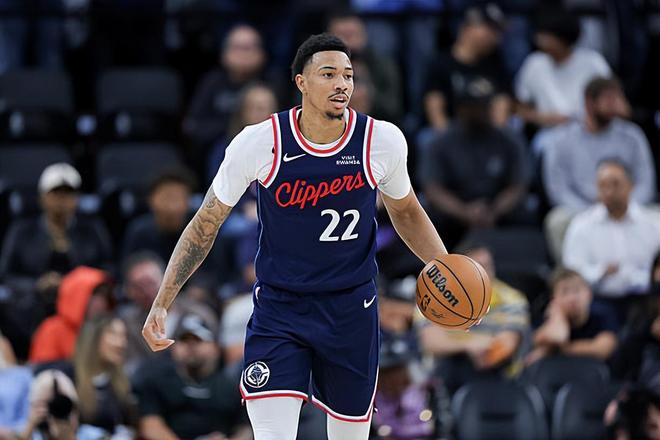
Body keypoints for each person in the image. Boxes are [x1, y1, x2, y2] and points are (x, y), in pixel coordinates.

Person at [142, 33, 449, 440]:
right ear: (301, 82)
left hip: (351, 310)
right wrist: (163, 300)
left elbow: (407, 211)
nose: (342, 84)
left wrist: (446, 272)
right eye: (328, 74)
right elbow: (205, 223)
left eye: (348, 75)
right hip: (281, 308)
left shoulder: (381, 140)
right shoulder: (260, 142)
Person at [543, 77, 656, 261]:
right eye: (609, 100)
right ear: (589, 103)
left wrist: (626, 206)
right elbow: (558, 189)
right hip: (582, 208)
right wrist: (592, 212)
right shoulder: (562, 139)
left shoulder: (632, 135)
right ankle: (572, 275)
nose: (615, 105)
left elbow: (646, 181)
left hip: (627, 205)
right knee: (557, 221)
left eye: (617, 99)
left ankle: (650, 273)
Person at [422, 76, 529, 249]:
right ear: (461, 108)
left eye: (486, 105)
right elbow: (433, 189)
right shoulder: (440, 143)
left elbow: (518, 185)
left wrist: (494, 210)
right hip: (454, 214)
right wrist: (464, 212)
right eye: (476, 106)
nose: (483, 111)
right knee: (428, 217)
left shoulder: (508, 140)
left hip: (496, 211)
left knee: (526, 214)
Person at [419, 243, 530, 394]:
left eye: (488, 266)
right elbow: (431, 341)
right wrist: (470, 345)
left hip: (494, 375)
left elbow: (506, 346)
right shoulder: (435, 294)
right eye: (478, 267)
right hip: (447, 372)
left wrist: (477, 347)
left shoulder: (511, 298)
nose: (485, 273)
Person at [563, 160, 660, 321]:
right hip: (598, 301)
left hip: (646, 299)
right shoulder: (581, 225)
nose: (609, 191)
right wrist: (600, 272)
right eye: (602, 185)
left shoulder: (654, 223)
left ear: (631, 186)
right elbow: (572, 271)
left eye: (615, 184)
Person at [134, 309, 250, 440]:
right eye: (184, 341)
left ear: (216, 348)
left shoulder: (230, 386)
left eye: (198, 340)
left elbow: (246, 428)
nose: (190, 346)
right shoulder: (156, 380)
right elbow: (150, 426)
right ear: (173, 348)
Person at [0, 163, 113, 284]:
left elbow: (109, 269)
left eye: (68, 193)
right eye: (56, 193)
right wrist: (37, 284)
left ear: (77, 198)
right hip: (31, 295)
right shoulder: (21, 230)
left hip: (82, 293)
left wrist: (79, 282)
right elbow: (5, 274)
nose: (62, 199)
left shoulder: (93, 229)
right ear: (41, 198)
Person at [515, 7, 612, 130]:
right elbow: (520, 108)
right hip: (549, 134)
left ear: (562, 37)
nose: (539, 39)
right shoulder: (534, 63)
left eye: (546, 35)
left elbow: (613, 100)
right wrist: (541, 118)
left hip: (591, 130)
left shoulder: (593, 61)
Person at [422, 3, 510, 135]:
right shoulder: (441, 64)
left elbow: (502, 106)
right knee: (427, 138)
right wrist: (453, 142)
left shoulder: (496, 64)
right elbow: (435, 108)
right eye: (490, 29)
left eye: (497, 32)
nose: (495, 37)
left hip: (486, 135)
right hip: (449, 134)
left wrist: (491, 141)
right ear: (469, 28)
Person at [525, 267, 618, 365]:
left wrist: (552, 351)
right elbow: (557, 337)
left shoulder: (603, 313)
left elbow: (601, 350)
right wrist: (557, 316)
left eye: (577, 290)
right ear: (554, 299)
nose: (572, 298)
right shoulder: (545, 317)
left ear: (589, 294)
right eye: (565, 292)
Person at [327, 10, 402, 123]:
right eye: (342, 36)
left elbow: (394, 108)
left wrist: (369, 95)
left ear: (364, 35)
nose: (348, 42)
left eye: (353, 35)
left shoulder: (382, 64)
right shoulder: (315, 66)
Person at [29, 267, 114, 364]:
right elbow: (43, 369)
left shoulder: (108, 331)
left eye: (104, 297)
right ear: (77, 296)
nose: (101, 303)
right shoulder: (52, 329)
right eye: (94, 296)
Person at [73, 315, 134, 437]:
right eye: (114, 334)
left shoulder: (122, 383)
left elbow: (131, 425)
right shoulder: (71, 377)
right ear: (93, 338)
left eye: (124, 336)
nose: (122, 343)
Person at [121, 168, 197, 264]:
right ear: (151, 200)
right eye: (167, 197)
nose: (172, 206)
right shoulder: (139, 232)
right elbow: (130, 267)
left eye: (178, 198)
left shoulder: (199, 232)